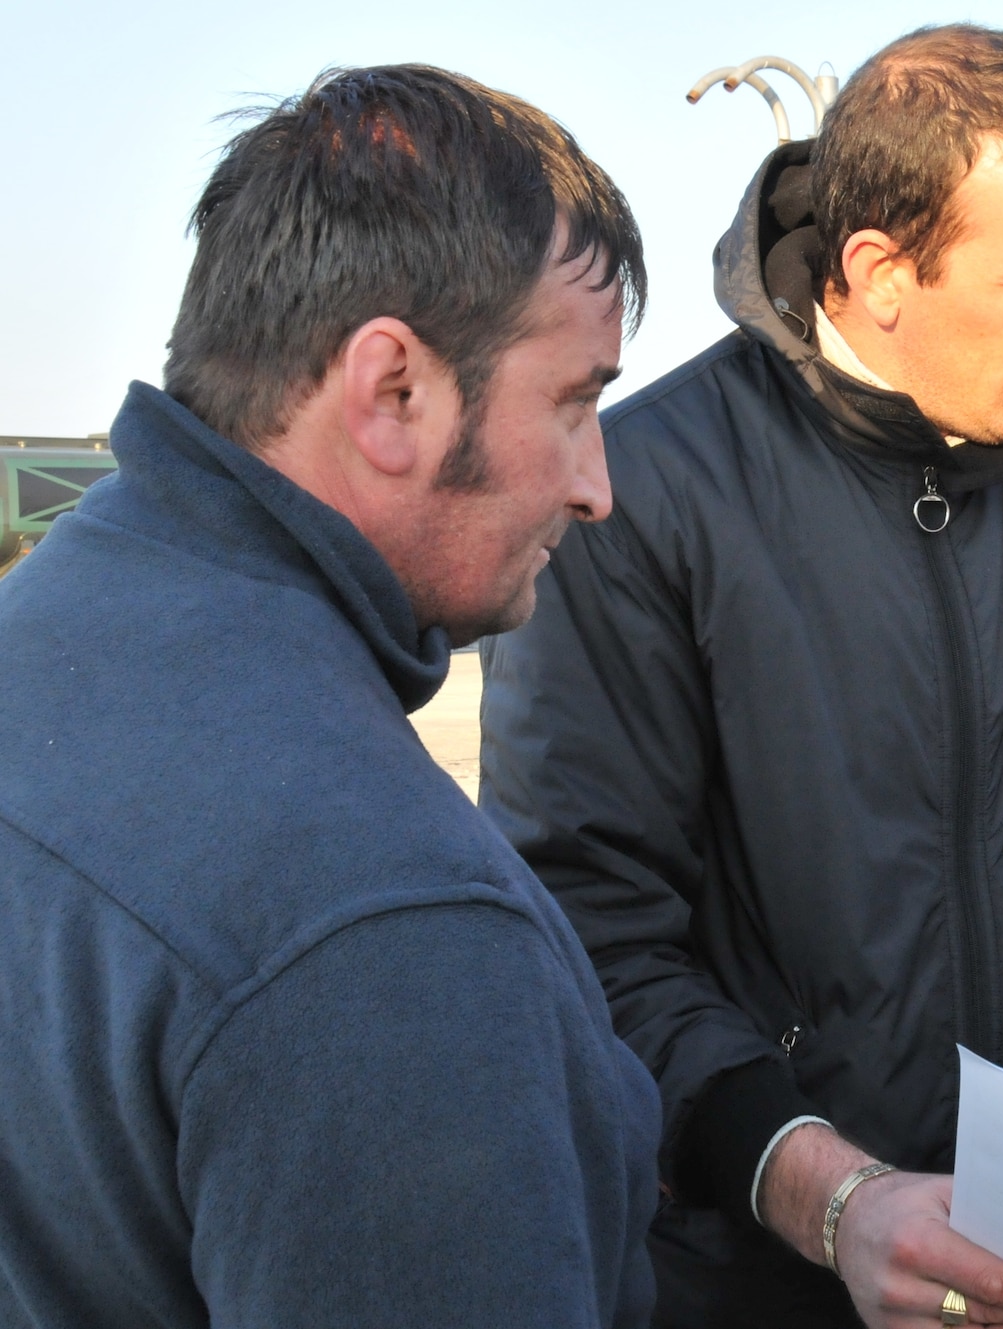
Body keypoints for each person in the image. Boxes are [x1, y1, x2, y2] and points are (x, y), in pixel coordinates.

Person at [480, 23, 1003, 1329]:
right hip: (742, 1286)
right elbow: (585, 923)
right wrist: (823, 1192)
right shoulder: (634, 498)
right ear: (881, 274)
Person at [0, 66, 660, 1327]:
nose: (595, 487)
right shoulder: (386, 928)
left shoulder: (44, 629)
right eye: (575, 403)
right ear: (391, 392)